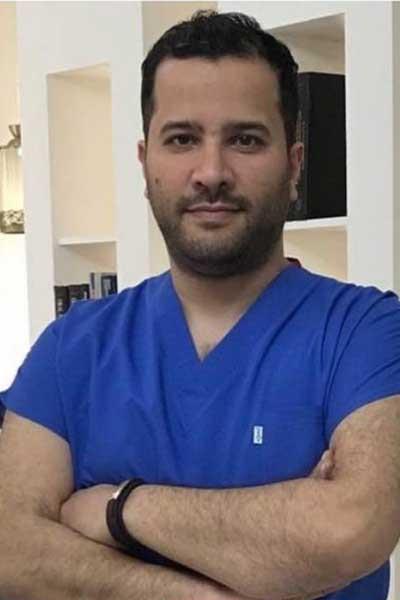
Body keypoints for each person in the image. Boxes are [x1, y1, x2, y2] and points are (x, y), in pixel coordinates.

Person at [0, 9, 399, 600]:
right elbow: (11, 550)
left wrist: (116, 509)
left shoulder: (366, 333)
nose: (211, 173)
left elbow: (348, 531)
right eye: (182, 139)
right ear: (145, 164)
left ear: (293, 166)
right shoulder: (73, 347)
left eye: (245, 139)